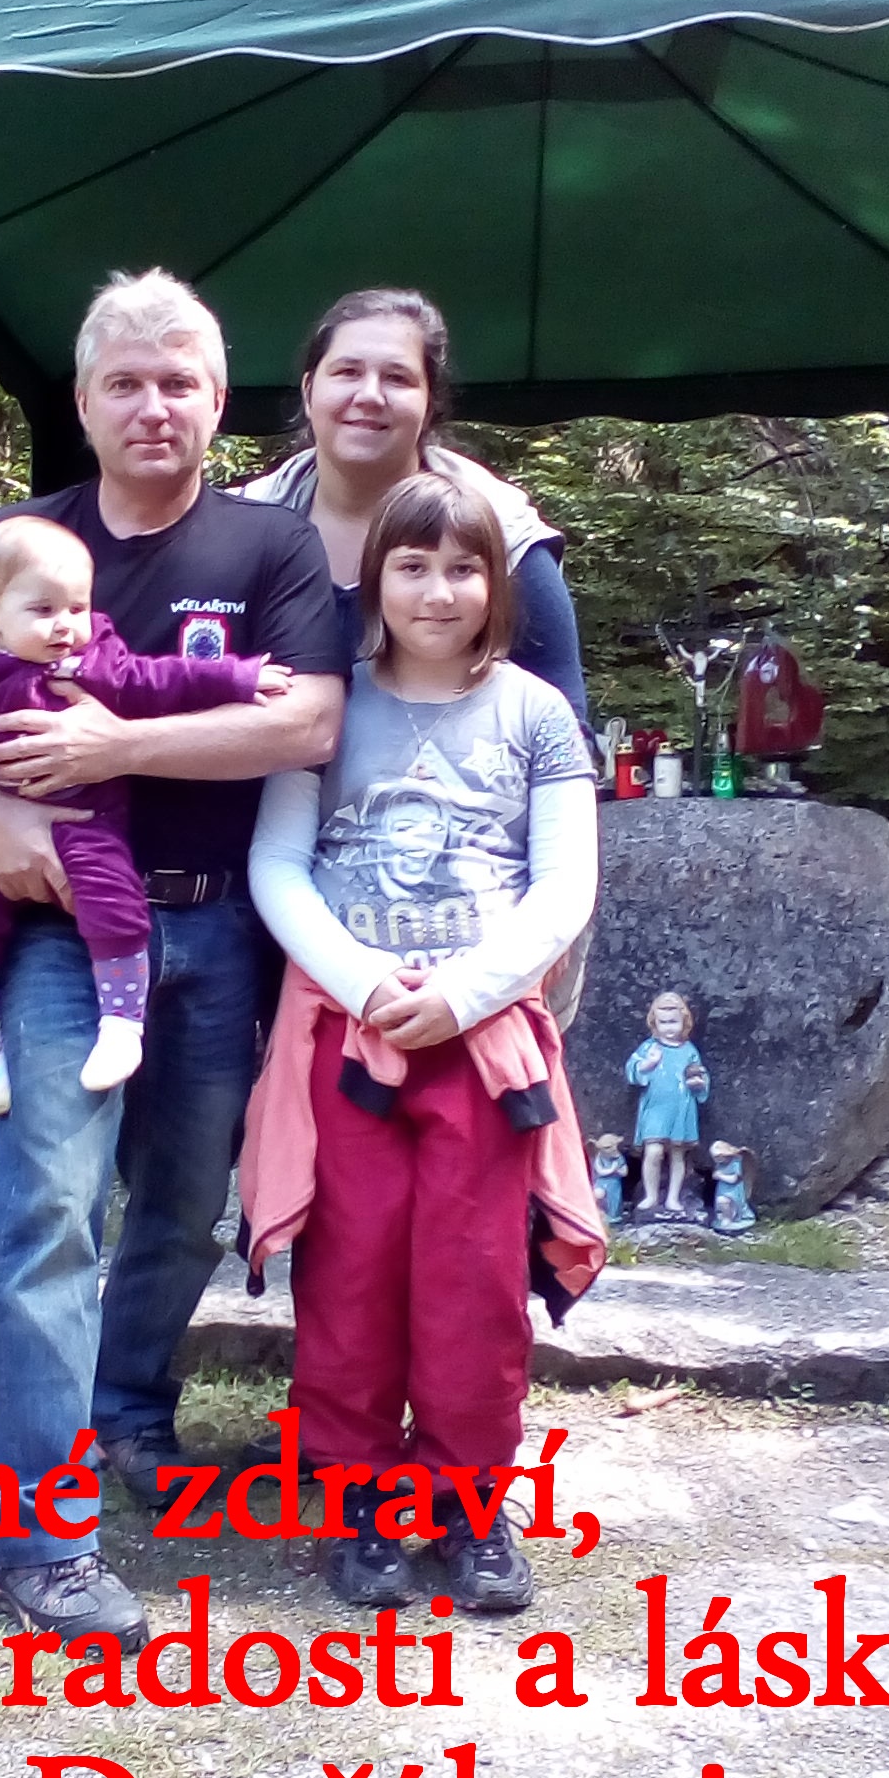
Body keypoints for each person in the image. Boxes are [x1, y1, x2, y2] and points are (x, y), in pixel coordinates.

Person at [0, 270, 342, 1652]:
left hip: (221, 925)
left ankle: (125, 1415)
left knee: (183, 1207)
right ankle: (31, 1545)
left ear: (218, 400)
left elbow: (306, 722)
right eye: (125, 382)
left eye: (180, 382)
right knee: (52, 1207)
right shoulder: (19, 543)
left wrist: (119, 745)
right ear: (83, 400)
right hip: (54, 935)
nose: (153, 406)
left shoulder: (271, 550)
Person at [242, 471, 602, 1612]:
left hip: (487, 1048)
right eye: (412, 566)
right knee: (349, 1273)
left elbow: (565, 886)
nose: (437, 592)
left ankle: (467, 1503)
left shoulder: (537, 715)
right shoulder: (327, 706)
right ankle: (359, 1498)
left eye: (462, 568)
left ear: (497, 583)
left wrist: (465, 993)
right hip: (347, 1039)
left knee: (473, 1276)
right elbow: (278, 865)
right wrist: (361, 982)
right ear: (375, 580)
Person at [0, 512, 290, 1113]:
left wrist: (238, 677)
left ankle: (122, 1027)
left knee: (115, 903)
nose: (65, 625)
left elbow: (163, 679)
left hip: (84, 821)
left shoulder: (95, 661)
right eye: (43, 610)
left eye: (77, 608)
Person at [242, 286, 590, 726]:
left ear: (430, 404)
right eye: (347, 371)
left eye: (397, 378)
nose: (370, 395)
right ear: (310, 390)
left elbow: (564, 728)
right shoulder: (242, 529)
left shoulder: (501, 532)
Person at [627, 990, 710, 1215]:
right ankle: (651, 1195)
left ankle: (673, 1197)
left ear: (684, 1022)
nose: (668, 1028)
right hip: (655, 1108)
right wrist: (648, 1064)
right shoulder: (650, 1048)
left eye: (673, 1022)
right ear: (655, 1023)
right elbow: (632, 1069)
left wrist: (698, 1083)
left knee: (677, 1154)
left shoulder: (688, 1051)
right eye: (663, 1023)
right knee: (653, 1151)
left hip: (680, 1108)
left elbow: (700, 1074)